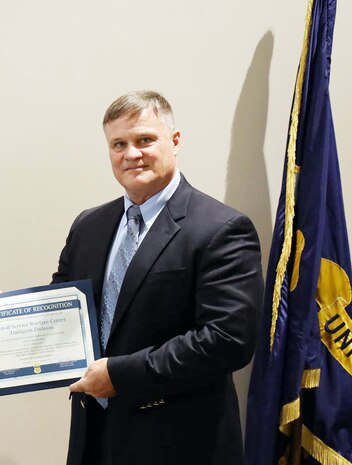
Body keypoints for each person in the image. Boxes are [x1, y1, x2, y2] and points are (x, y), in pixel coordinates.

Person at [52, 90, 263, 465]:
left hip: (180, 444)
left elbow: (228, 340)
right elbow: (61, 311)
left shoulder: (222, 228)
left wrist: (121, 375)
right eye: (119, 144)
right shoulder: (88, 226)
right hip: (94, 440)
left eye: (144, 140)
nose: (131, 154)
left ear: (175, 141)